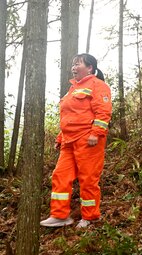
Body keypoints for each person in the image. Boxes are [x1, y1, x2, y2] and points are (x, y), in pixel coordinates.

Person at [40, 53, 112, 228]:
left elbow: (103, 111)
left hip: (88, 140)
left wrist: (96, 132)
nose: (73, 67)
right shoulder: (72, 89)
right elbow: (68, 116)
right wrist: (60, 137)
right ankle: (59, 216)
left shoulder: (98, 85)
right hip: (68, 141)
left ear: (90, 68)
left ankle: (91, 217)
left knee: (88, 179)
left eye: (78, 64)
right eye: (73, 64)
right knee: (60, 176)